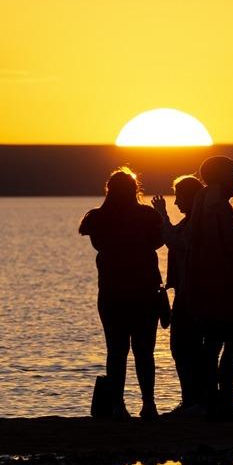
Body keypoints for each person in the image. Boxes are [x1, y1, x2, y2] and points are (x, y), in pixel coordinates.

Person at [80, 167, 164, 419]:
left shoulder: (97, 218)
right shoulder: (147, 216)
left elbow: (97, 244)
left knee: (116, 350)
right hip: (144, 291)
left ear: (109, 190)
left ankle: (118, 406)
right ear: (134, 190)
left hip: (112, 292)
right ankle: (148, 405)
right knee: (144, 350)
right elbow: (158, 242)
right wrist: (160, 216)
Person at [184, 156, 233, 420]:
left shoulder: (202, 202)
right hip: (226, 286)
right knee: (232, 343)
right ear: (223, 178)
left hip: (204, 284)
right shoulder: (219, 208)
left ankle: (208, 399)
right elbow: (232, 247)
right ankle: (223, 401)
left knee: (211, 344)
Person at [151, 174, 206, 415]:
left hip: (193, 295)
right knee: (183, 348)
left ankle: (194, 402)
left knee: (184, 347)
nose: (176, 203)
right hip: (186, 293)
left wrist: (162, 215)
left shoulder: (198, 223)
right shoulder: (191, 222)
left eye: (180, 197)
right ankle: (191, 400)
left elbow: (176, 243)